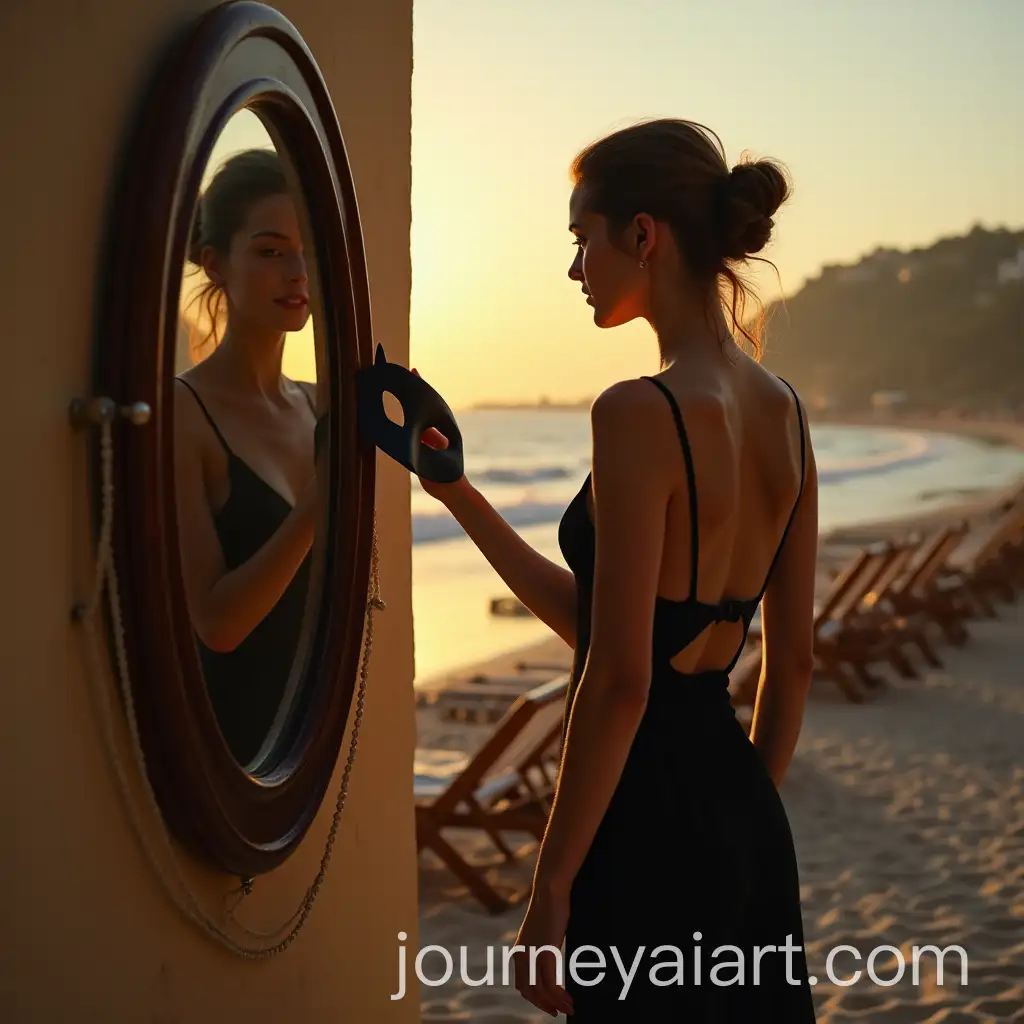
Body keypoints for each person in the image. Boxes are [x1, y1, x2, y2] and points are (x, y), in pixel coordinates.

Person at [412, 118, 818, 1019]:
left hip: (642, 820)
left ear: (643, 235)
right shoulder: (786, 412)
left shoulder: (639, 412)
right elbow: (787, 663)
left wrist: (550, 887)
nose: (574, 270)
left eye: (580, 240)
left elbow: (623, 680)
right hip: (747, 814)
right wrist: (460, 494)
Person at [174, 148, 322, 767]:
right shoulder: (184, 414)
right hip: (230, 749)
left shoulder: (320, 406)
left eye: (308, 250)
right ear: (217, 265)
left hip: (314, 735)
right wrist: (320, 505)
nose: (297, 271)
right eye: (269, 251)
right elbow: (217, 623)